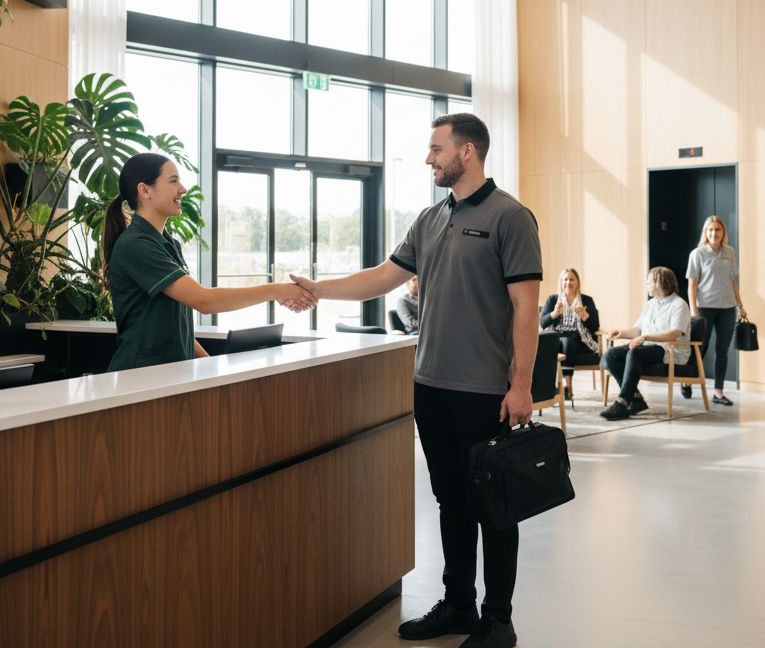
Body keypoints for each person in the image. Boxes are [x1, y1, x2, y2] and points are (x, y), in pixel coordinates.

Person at [289, 113, 540, 648]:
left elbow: (526, 307)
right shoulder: (429, 219)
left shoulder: (511, 218)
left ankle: (499, 619)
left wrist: (522, 385)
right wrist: (320, 289)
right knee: (450, 499)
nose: (429, 158)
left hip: (485, 391)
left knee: (492, 505)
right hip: (430, 384)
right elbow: (384, 276)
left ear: (467, 151)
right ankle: (458, 604)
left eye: (436, 149)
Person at [102, 152, 315, 372]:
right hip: (139, 377)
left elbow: (176, 330)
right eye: (173, 181)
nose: (182, 189)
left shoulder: (167, 244)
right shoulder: (136, 245)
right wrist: (276, 290)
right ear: (145, 190)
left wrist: (211, 365)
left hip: (169, 375)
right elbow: (204, 301)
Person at [599, 266, 691, 420]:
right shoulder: (650, 305)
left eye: (649, 282)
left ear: (659, 282)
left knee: (634, 353)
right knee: (610, 355)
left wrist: (645, 337)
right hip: (648, 347)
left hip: (669, 350)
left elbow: (674, 334)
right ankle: (636, 400)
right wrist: (621, 333)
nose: (646, 284)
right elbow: (638, 330)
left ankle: (622, 402)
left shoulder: (679, 305)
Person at [685, 214, 746, 406]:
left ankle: (718, 392)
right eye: (710, 230)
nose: (714, 233)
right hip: (704, 308)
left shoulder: (730, 252)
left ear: (723, 232)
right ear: (705, 232)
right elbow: (692, 285)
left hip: (727, 308)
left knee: (722, 350)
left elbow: (733, 282)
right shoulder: (698, 254)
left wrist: (741, 306)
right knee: (700, 348)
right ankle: (687, 379)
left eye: (717, 229)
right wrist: (694, 311)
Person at [539, 268, 600, 400]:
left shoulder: (587, 300)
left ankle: (564, 387)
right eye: (565, 279)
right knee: (564, 342)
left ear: (577, 282)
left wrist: (584, 315)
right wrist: (555, 314)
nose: (568, 282)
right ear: (561, 283)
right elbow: (542, 323)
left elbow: (595, 326)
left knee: (568, 342)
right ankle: (566, 387)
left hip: (581, 340)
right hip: (557, 339)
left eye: (571, 279)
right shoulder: (553, 299)